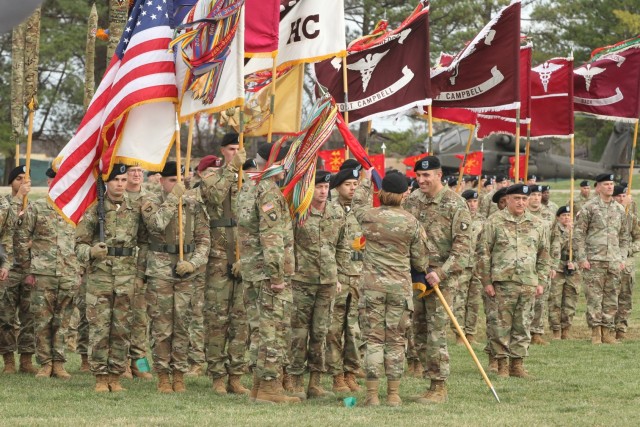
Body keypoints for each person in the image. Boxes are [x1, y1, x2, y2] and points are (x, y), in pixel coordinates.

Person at [352, 170, 428, 406]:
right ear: (404, 194)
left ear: (382, 192)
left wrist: (366, 179)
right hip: (399, 288)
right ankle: (393, 395)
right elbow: (420, 261)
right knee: (395, 340)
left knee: (373, 339)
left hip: (372, 288)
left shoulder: (369, 216)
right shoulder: (411, 222)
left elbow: (355, 203)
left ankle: (372, 396)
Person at [404, 155, 471, 404]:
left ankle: (439, 386)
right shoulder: (412, 201)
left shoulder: (456, 204)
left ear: (439, 175)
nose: (421, 180)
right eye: (418, 176)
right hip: (417, 278)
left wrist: (441, 272)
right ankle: (429, 380)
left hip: (442, 280)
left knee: (436, 334)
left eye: (426, 176)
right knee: (418, 332)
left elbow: (463, 248)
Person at [74, 164, 148, 392]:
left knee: (121, 328)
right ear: (106, 182)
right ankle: (100, 376)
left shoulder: (135, 210)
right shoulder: (95, 210)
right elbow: (78, 245)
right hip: (100, 277)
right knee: (99, 329)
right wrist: (91, 252)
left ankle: (115, 376)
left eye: (124, 180)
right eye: (115, 179)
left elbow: (144, 243)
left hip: (126, 277)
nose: (120, 184)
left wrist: (140, 273)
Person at [237, 142, 300, 404]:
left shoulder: (248, 188)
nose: (287, 168)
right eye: (285, 163)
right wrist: (277, 276)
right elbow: (271, 238)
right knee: (273, 331)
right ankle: (269, 388)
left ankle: (257, 386)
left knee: (259, 330)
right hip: (267, 275)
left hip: (252, 271)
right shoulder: (269, 192)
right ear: (276, 163)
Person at [140, 161, 210, 393]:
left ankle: (179, 374)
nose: (177, 184)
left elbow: (203, 240)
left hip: (185, 271)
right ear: (161, 181)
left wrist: (193, 263)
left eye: (180, 180)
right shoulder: (150, 202)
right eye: (172, 181)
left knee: (183, 324)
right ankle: (162, 375)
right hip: (160, 271)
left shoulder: (193, 205)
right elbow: (156, 225)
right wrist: (173, 199)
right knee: (161, 326)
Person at [476, 184, 551, 378]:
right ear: (507, 199)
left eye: (524, 199)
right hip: (502, 283)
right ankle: (501, 364)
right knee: (500, 325)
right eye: (516, 198)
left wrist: (541, 281)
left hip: (528, 282)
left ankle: (517, 365)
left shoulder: (537, 224)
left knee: (523, 325)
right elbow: (483, 254)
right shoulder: (494, 222)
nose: (521, 202)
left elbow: (544, 255)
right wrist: (487, 282)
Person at [288, 171, 350, 400]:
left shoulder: (336, 212)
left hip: (328, 281)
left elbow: (343, 246)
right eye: (319, 187)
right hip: (301, 280)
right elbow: (288, 243)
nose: (323, 191)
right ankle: (294, 379)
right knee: (298, 332)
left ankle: (315, 381)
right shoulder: (299, 211)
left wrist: (340, 276)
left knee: (320, 332)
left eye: (326, 187)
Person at [15, 168, 80, 380]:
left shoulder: (74, 210)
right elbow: (22, 239)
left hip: (68, 272)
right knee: (42, 320)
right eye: (55, 180)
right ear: (50, 182)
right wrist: (27, 269)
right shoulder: (37, 207)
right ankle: (45, 362)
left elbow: (82, 241)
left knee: (63, 320)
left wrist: (78, 270)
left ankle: (59, 363)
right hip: (42, 273)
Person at [199, 132, 250, 394]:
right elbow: (215, 198)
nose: (237, 153)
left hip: (245, 258)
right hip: (219, 258)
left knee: (241, 321)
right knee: (217, 320)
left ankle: (236, 375)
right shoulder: (212, 178)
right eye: (232, 148)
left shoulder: (249, 182)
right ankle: (217, 374)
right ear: (223, 151)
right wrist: (231, 169)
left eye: (240, 149)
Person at [572, 173, 629, 345]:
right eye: (606, 184)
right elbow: (579, 235)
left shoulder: (619, 209)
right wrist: (582, 258)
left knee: (611, 297)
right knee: (594, 298)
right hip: (594, 260)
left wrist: (622, 258)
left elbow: (624, 236)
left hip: (613, 260)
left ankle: (608, 332)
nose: (610, 187)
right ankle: (596, 332)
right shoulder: (589, 208)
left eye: (611, 184)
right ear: (598, 187)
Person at [325, 167, 364, 393]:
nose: (352, 188)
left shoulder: (361, 211)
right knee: (334, 328)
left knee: (354, 329)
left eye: (355, 184)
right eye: (348, 184)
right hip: (338, 276)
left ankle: (351, 372)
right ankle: (337, 375)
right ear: (337, 186)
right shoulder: (331, 210)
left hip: (358, 276)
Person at [0, 165, 36, 375]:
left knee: (29, 315)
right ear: (11, 182)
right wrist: (16, 200)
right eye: (18, 179)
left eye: (26, 179)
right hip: (7, 267)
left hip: (29, 267)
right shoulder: (4, 203)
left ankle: (26, 359)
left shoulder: (35, 207)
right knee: (5, 316)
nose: (23, 183)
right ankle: (8, 361)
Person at [122, 165, 153, 380]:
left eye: (140, 171)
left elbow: (148, 238)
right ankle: (122, 362)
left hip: (141, 264)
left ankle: (139, 362)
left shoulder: (149, 199)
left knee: (140, 318)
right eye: (132, 170)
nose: (136, 174)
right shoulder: (115, 197)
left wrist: (143, 272)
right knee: (121, 316)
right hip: (118, 265)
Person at [452, 189, 483, 345]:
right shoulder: (458, 218)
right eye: (469, 201)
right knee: (459, 301)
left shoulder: (482, 221)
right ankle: (459, 335)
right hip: (462, 266)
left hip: (477, 266)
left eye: (475, 201)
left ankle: (471, 333)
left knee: (474, 302)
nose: (472, 204)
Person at [526, 185, 554, 345]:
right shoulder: (523, 214)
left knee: (541, 298)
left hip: (543, 261)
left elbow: (555, 240)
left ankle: (536, 332)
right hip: (526, 261)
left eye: (538, 194)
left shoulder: (549, 215)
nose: (536, 197)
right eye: (533, 194)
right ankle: (524, 331)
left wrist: (553, 264)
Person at [612, 185, 640, 340]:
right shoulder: (608, 216)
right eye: (618, 196)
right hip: (609, 261)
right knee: (609, 296)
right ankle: (607, 327)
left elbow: (638, 238)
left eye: (624, 196)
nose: (621, 199)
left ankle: (621, 328)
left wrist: (630, 249)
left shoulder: (631, 218)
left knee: (625, 296)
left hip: (627, 263)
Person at [548, 206, 580, 340]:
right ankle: (556, 330)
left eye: (568, 215)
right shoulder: (555, 231)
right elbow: (555, 248)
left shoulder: (577, 231)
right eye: (563, 216)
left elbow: (581, 250)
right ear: (558, 218)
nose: (566, 218)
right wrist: (566, 232)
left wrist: (576, 264)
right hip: (558, 268)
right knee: (555, 300)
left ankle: (566, 329)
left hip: (572, 269)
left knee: (570, 300)